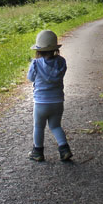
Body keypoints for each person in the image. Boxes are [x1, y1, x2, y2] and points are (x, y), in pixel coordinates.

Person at [27, 29, 72, 162]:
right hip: (57, 101)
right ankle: (64, 149)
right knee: (55, 126)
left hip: (41, 102)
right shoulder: (61, 62)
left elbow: (30, 78)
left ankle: (38, 151)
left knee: (39, 126)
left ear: (38, 50)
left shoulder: (36, 63)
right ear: (55, 49)